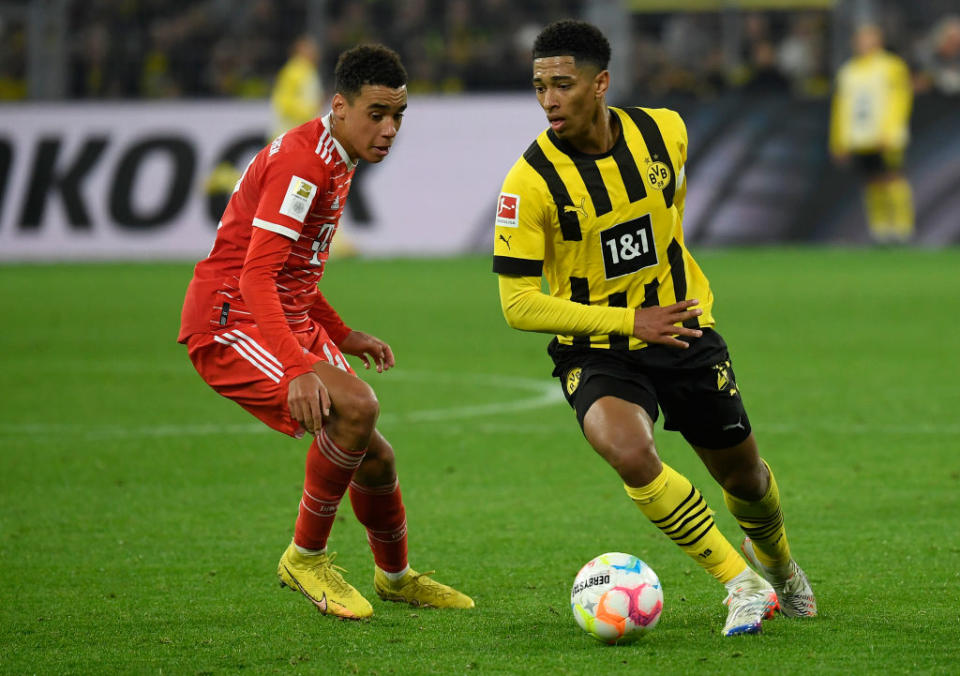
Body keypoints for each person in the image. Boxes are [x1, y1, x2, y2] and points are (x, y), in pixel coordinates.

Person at [492, 19, 816, 637]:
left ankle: (777, 566)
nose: (549, 100)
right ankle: (739, 583)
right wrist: (628, 318)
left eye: (563, 84)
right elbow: (517, 305)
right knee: (628, 449)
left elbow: (667, 219)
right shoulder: (528, 184)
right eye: (539, 87)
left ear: (601, 82)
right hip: (598, 347)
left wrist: (670, 296)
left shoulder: (665, 133)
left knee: (744, 477)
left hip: (684, 332)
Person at [179, 44, 473, 620]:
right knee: (357, 408)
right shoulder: (303, 165)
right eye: (377, 114)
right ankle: (304, 557)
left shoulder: (337, 157)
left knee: (376, 458)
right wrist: (296, 368)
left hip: (281, 314)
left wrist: (343, 332)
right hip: (230, 320)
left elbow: (297, 270)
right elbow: (256, 275)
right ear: (339, 106)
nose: (389, 130)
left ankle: (396, 577)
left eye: (399, 117)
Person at [829, 23, 914, 244]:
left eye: (868, 38)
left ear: (878, 41)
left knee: (893, 179)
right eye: (860, 39)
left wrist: (890, 131)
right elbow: (840, 107)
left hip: (885, 137)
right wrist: (838, 140)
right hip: (859, 138)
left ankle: (903, 230)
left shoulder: (892, 66)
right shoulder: (848, 71)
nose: (863, 43)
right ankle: (880, 231)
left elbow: (901, 100)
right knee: (872, 182)